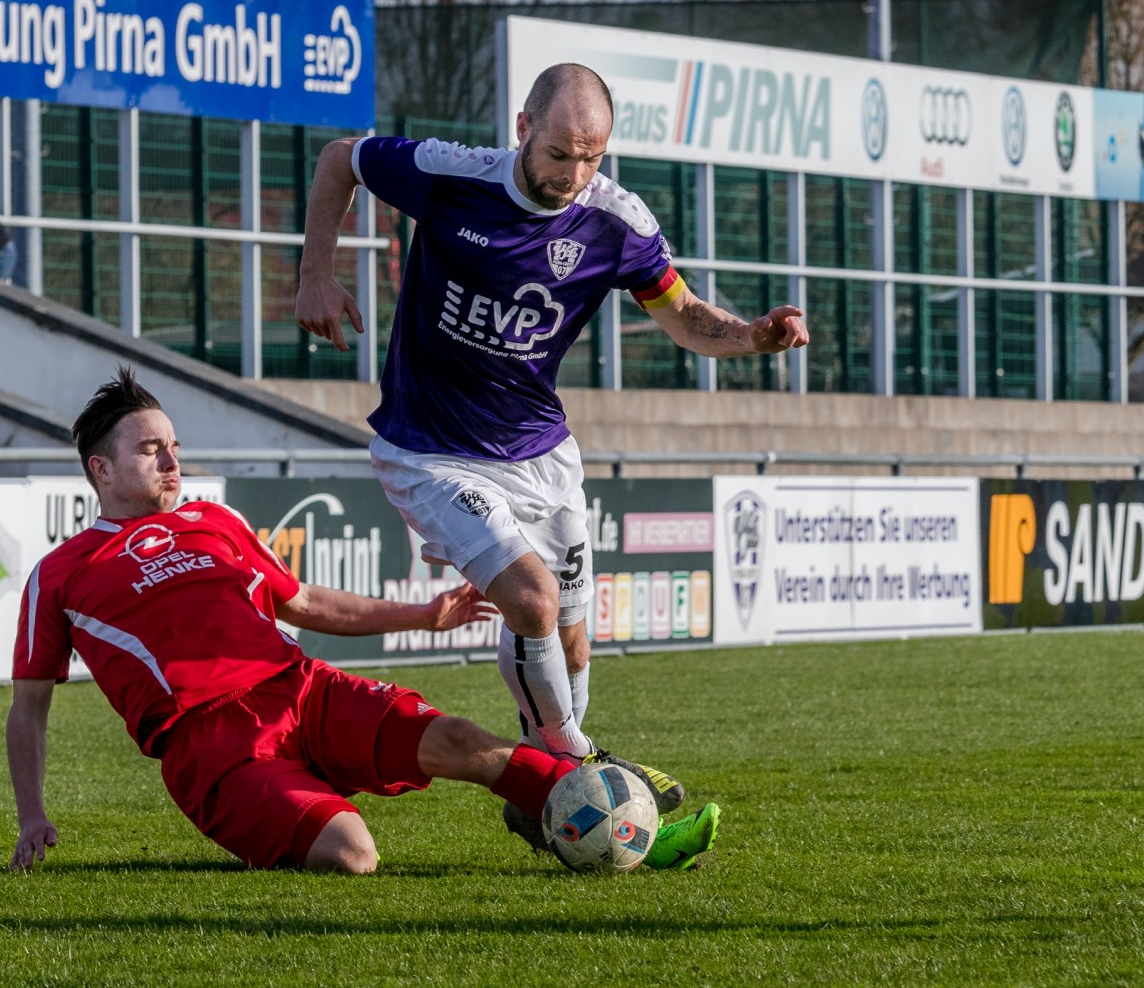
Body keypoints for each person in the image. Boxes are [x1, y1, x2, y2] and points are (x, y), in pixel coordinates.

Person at [294, 62, 808, 847]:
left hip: (541, 451)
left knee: (570, 635)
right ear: (523, 130)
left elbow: (683, 313)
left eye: (593, 157)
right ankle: (581, 769)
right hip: (432, 451)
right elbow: (339, 160)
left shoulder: (615, 222)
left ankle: (542, 783)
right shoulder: (452, 176)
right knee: (531, 601)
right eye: (562, 154)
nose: (575, 174)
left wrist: (753, 337)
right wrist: (316, 276)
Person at [6, 368, 720, 873]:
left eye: (174, 445)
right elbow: (28, 708)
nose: (171, 459)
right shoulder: (62, 572)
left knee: (460, 739)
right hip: (214, 746)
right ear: (100, 469)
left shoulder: (214, 521)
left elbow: (308, 604)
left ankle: (629, 832)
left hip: (302, 688)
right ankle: (569, 816)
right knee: (354, 855)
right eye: (149, 448)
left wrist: (425, 615)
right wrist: (32, 813)